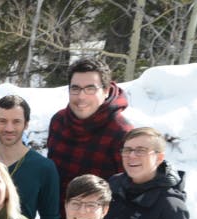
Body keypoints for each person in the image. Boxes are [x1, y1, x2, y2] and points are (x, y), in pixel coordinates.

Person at [46, 57, 133, 199]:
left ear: (106, 91)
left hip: (98, 217)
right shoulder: (59, 121)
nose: (81, 96)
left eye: (90, 89)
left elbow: (127, 192)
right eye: (75, 88)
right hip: (56, 216)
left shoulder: (121, 132)